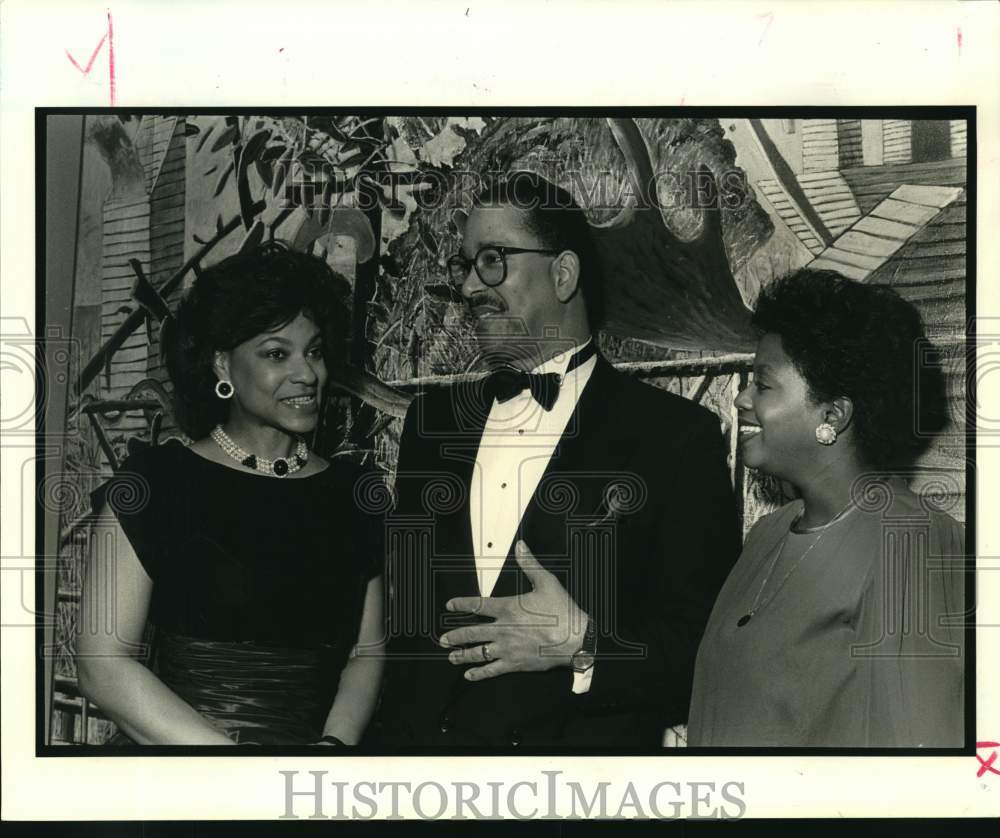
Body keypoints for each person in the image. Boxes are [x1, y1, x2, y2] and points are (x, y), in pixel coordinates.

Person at [376, 171, 740, 748]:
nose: (471, 286)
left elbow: (705, 649)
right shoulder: (429, 425)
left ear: (564, 274)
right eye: (465, 265)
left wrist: (582, 647)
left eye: (493, 260)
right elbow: (405, 630)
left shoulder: (676, 438)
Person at [76, 242, 384, 746]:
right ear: (222, 366)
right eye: (276, 353)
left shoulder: (355, 493)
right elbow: (102, 666)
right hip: (183, 782)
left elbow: (366, 653)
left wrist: (331, 753)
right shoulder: (153, 483)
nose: (307, 373)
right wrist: (237, 772)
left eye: (315, 350)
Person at [687, 269, 965, 747]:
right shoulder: (768, 534)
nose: (740, 398)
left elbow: (919, 767)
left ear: (832, 416)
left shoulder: (912, 543)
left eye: (763, 385)